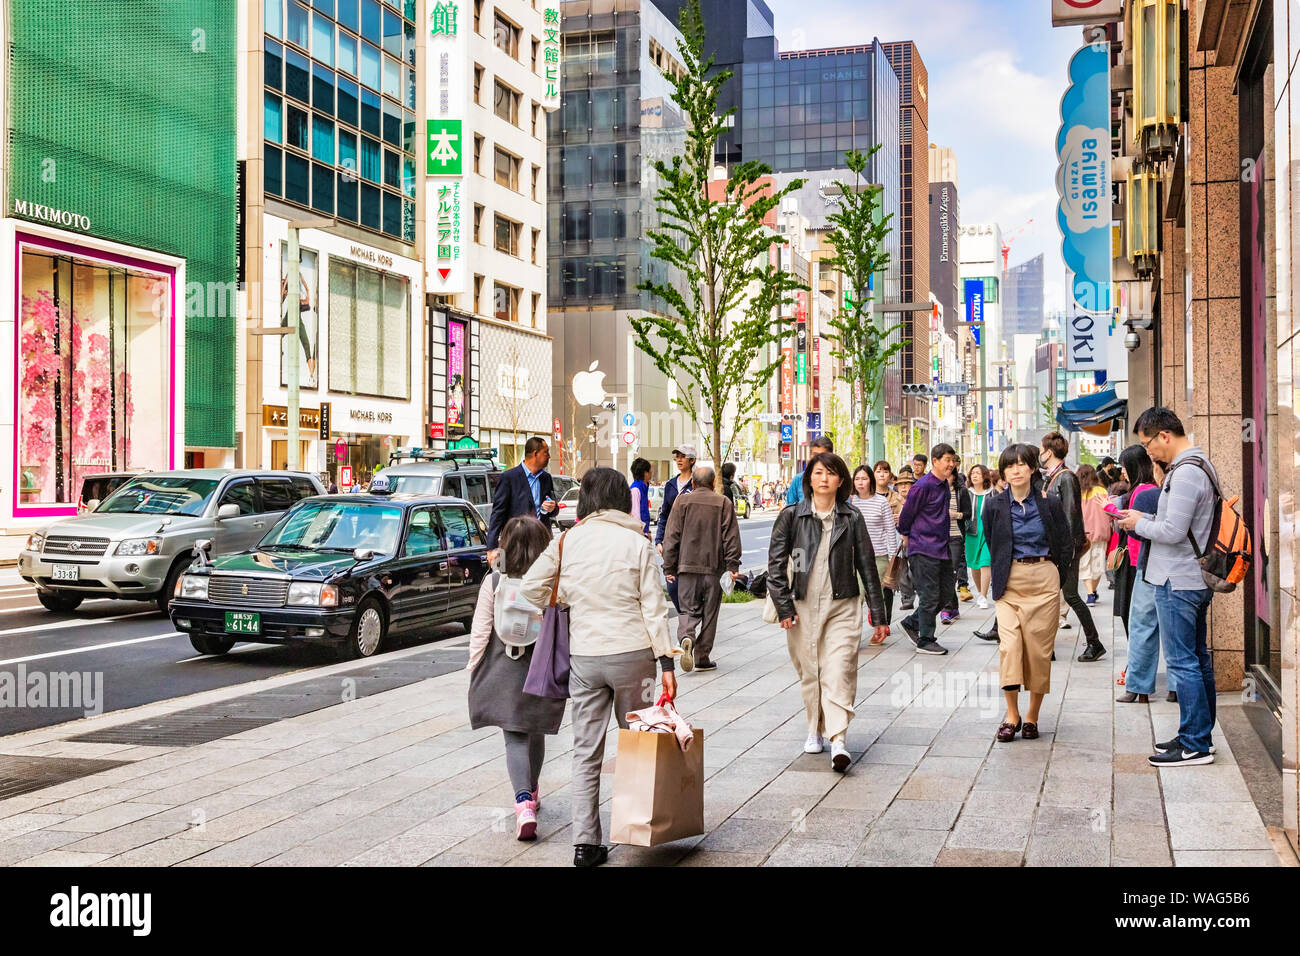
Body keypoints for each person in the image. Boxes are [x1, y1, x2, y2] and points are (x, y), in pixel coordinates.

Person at [519, 468, 679, 866]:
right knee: (637, 744)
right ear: (624, 499)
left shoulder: (568, 539)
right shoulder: (637, 543)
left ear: (588, 499)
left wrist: (565, 598)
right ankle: (639, 829)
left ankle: (585, 844)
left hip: (585, 658)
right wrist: (667, 663)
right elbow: (654, 609)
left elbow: (529, 587)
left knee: (586, 751)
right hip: (633, 656)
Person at [767, 452, 888, 770]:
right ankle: (814, 729)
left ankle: (838, 740)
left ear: (840, 481)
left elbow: (866, 566)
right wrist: (784, 607)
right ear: (809, 479)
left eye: (831, 473)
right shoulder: (792, 516)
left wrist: (879, 614)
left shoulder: (852, 517)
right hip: (802, 606)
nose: (824, 478)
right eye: (818, 472)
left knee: (839, 669)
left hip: (843, 604)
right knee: (811, 672)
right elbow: (776, 566)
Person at [1116, 408, 1223, 766]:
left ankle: (1194, 743)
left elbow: (1172, 532)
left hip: (1178, 580)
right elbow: (1174, 523)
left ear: (1164, 435)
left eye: (1148, 444)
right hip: (1188, 577)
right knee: (1195, 659)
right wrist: (1142, 519)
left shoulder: (1187, 472)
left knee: (1183, 663)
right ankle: (1197, 736)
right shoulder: (1197, 467)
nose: (1149, 453)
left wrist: (1136, 523)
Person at [466, 516, 564, 841]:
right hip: (541, 668)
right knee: (536, 733)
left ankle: (523, 803)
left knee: (515, 738)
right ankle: (532, 791)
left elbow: (480, 632)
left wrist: (474, 669)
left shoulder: (493, 582)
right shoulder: (552, 585)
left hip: (503, 669)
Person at [984, 444, 1071, 743]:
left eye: (1022, 464)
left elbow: (1065, 543)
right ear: (1004, 471)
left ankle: (1032, 716)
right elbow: (993, 542)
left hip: (1044, 581)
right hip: (1010, 583)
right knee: (1009, 648)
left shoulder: (1050, 503)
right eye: (1010, 465)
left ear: (1033, 468)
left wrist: (1055, 575)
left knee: (1038, 652)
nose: (1016, 470)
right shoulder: (993, 505)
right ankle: (1012, 715)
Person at [663, 465, 743, 672]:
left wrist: (668, 567)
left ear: (693, 483)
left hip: (687, 567)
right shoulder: (723, 503)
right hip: (714, 569)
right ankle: (702, 656)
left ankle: (687, 636)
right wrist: (732, 565)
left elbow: (672, 536)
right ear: (714, 483)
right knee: (710, 613)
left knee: (688, 610)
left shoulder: (682, 502)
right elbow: (731, 537)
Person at [1040, 431, 1105, 662]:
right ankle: (1051, 646)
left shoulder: (1065, 478)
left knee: (1070, 595)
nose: (1040, 453)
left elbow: (1069, 517)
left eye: (1042, 449)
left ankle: (1094, 642)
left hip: (1065, 550)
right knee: (1057, 596)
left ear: (1049, 452)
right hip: (1060, 549)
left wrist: (1063, 551)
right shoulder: (1055, 477)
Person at [896, 444, 959, 656]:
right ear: (935, 461)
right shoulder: (922, 486)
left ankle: (912, 623)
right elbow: (906, 516)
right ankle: (925, 639)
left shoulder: (943, 486)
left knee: (947, 592)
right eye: (946, 460)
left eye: (953, 460)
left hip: (942, 548)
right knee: (929, 595)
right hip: (923, 548)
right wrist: (906, 536)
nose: (951, 464)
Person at [1113, 445, 1164, 703]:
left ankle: (1139, 687)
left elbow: (1137, 532)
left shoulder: (1144, 492)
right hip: (1176, 568)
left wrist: (1130, 521)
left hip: (1147, 564)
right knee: (1174, 632)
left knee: (1142, 624)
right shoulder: (1164, 490)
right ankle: (1175, 689)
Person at [486, 436, 557, 564]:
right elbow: (498, 514)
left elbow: (554, 508)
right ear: (535, 454)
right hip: (517, 544)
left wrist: (552, 508)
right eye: (546, 452)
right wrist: (491, 547)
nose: (549, 456)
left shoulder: (546, 478)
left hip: (542, 544)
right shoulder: (509, 478)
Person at [851, 464, 899, 637]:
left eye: (864, 478)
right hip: (855, 558)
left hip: (878, 557)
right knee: (857, 597)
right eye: (857, 479)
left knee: (875, 593)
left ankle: (878, 620)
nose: (860, 482)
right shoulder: (850, 502)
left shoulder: (881, 502)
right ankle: (852, 634)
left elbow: (889, 531)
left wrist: (893, 558)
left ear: (870, 480)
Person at [655, 444, 697, 612]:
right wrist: (659, 539)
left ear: (692, 460)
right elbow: (664, 514)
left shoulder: (697, 483)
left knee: (690, 582)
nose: (678, 459)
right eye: (677, 456)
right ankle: (684, 614)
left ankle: (690, 616)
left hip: (693, 542)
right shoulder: (670, 485)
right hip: (673, 541)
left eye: (683, 456)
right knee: (672, 583)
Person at [940, 466, 973, 623]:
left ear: (954, 476)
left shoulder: (961, 491)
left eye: (948, 475)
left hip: (955, 536)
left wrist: (955, 515)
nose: (945, 478)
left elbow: (968, 514)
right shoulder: (935, 491)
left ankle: (946, 609)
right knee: (943, 573)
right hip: (938, 537)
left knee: (950, 571)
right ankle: (953, 607)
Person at [1076, 463, 1111, 605]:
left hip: (1083, 534)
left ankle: (1090, 594)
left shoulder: (1078, 493)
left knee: (1084, 565)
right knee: (1097, 565)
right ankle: (1093, 592)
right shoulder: (1102, 491)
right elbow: (1109, 510)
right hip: (1101, 532)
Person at [965, 464, 993, 609]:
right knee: (974, 564)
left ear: (984, 476)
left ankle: (983, 596)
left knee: (985, 562)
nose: (974, 475)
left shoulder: (992, 493)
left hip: (988, 532)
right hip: (972, 533)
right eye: (972, 473)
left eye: (978, 473)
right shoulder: (966, 493)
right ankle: (980, 592)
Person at [892, 467, 917, 612]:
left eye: (907, 484)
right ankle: (907, 598)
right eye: (901, 484)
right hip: (897, 537)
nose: (903, 487)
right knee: (901, 569)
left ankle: (915, 590)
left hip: (915, 538)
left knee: (914, 568)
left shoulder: (917, 500)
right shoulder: (893, 499)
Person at [786, 435, 834, 506]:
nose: (818, 458)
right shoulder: (799, 479)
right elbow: (789, 508)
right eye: (815, 455)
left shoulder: (835, 479)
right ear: (810, 455)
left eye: (822, 455)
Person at [629, 457, 652, 536]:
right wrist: (643, 534)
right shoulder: (635, 489)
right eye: (650, 470)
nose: (651, 472)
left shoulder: (643, 487)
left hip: (643, 533)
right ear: (645, 473)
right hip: (639, 534)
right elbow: (635, 515)